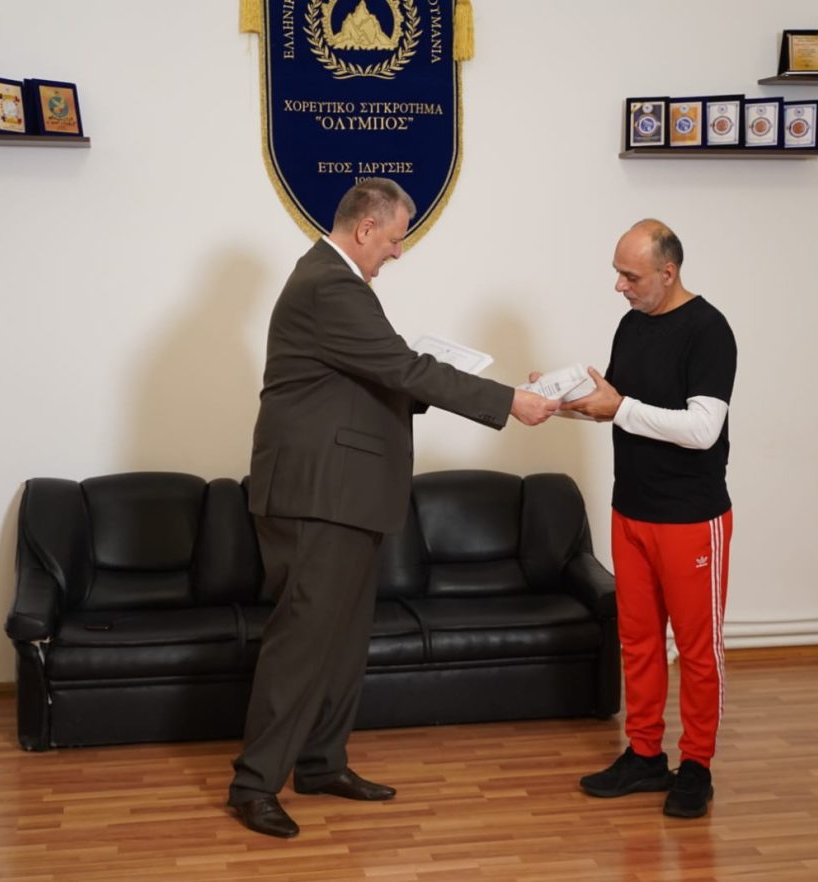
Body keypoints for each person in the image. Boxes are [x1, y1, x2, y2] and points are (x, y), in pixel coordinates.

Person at [228, 178, 559, 838]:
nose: (399, 252)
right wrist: (507, 401)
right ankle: (254, 785)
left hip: (346, 496)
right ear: (365, 229)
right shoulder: (330, 286)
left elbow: (378, 375)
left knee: (343, 644)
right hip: (318, 498)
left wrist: (426, 371)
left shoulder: (335, 283)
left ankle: (320, 764)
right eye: (396, 239)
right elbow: (402, 369)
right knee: (302, 645)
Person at [562, 218, 737, 819]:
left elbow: (702, 428)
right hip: (630, 510)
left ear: (668, 272)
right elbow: (618, 406)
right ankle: (643, 755)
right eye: (618, 273)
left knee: (697, 650)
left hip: (690, 518)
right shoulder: (633, 323)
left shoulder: (709, 330)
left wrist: (620, 407)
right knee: (637, 642)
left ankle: (697, 766)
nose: (619, 286)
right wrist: (561, 402)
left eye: (630, 276)